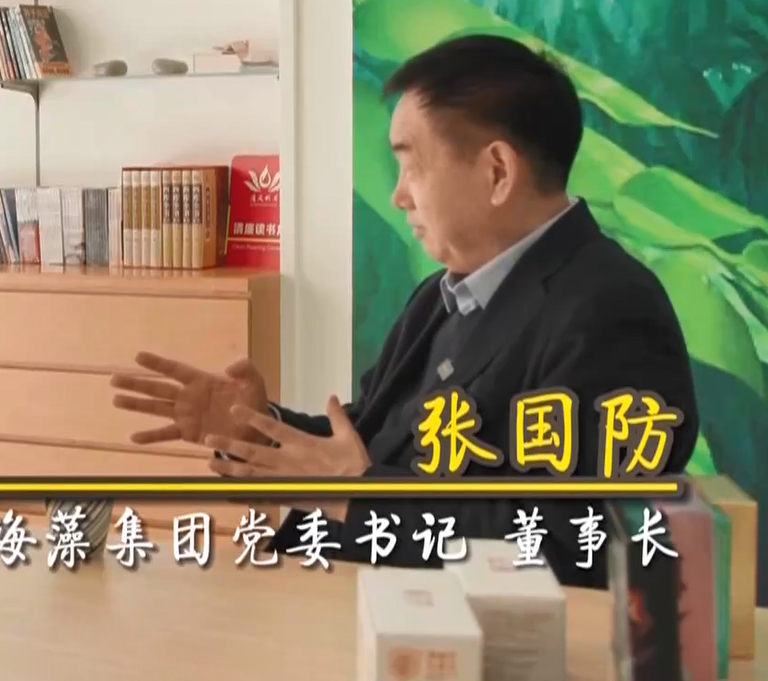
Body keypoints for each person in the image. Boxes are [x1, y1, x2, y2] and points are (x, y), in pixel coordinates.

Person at [111, 34, 698, 587]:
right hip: (367, 603)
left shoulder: (611, 310)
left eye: (412, 164)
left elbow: (574, 543)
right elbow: (372, 442)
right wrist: (259, 429)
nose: (398, 195)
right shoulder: (439, 296)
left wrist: (354, 494)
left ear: (497, 172)